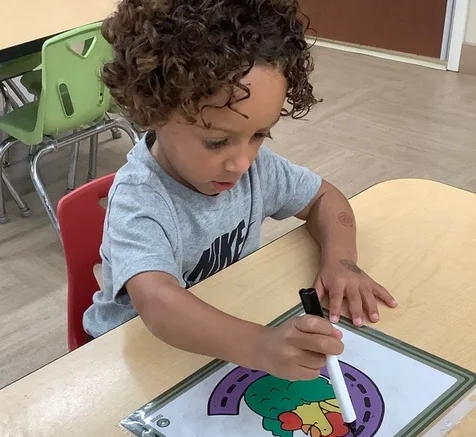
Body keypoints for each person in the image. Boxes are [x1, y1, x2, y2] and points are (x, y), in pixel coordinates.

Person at [83, 0, 397, 381]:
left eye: (259, 135)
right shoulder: (140, 199)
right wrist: (261, 347)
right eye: (217, 142)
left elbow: (325, 198)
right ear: (153, 112)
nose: (242, 162)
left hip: (219, 337)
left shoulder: (254, 170)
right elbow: (158, 303)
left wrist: (341, 261)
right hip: (135, 359)